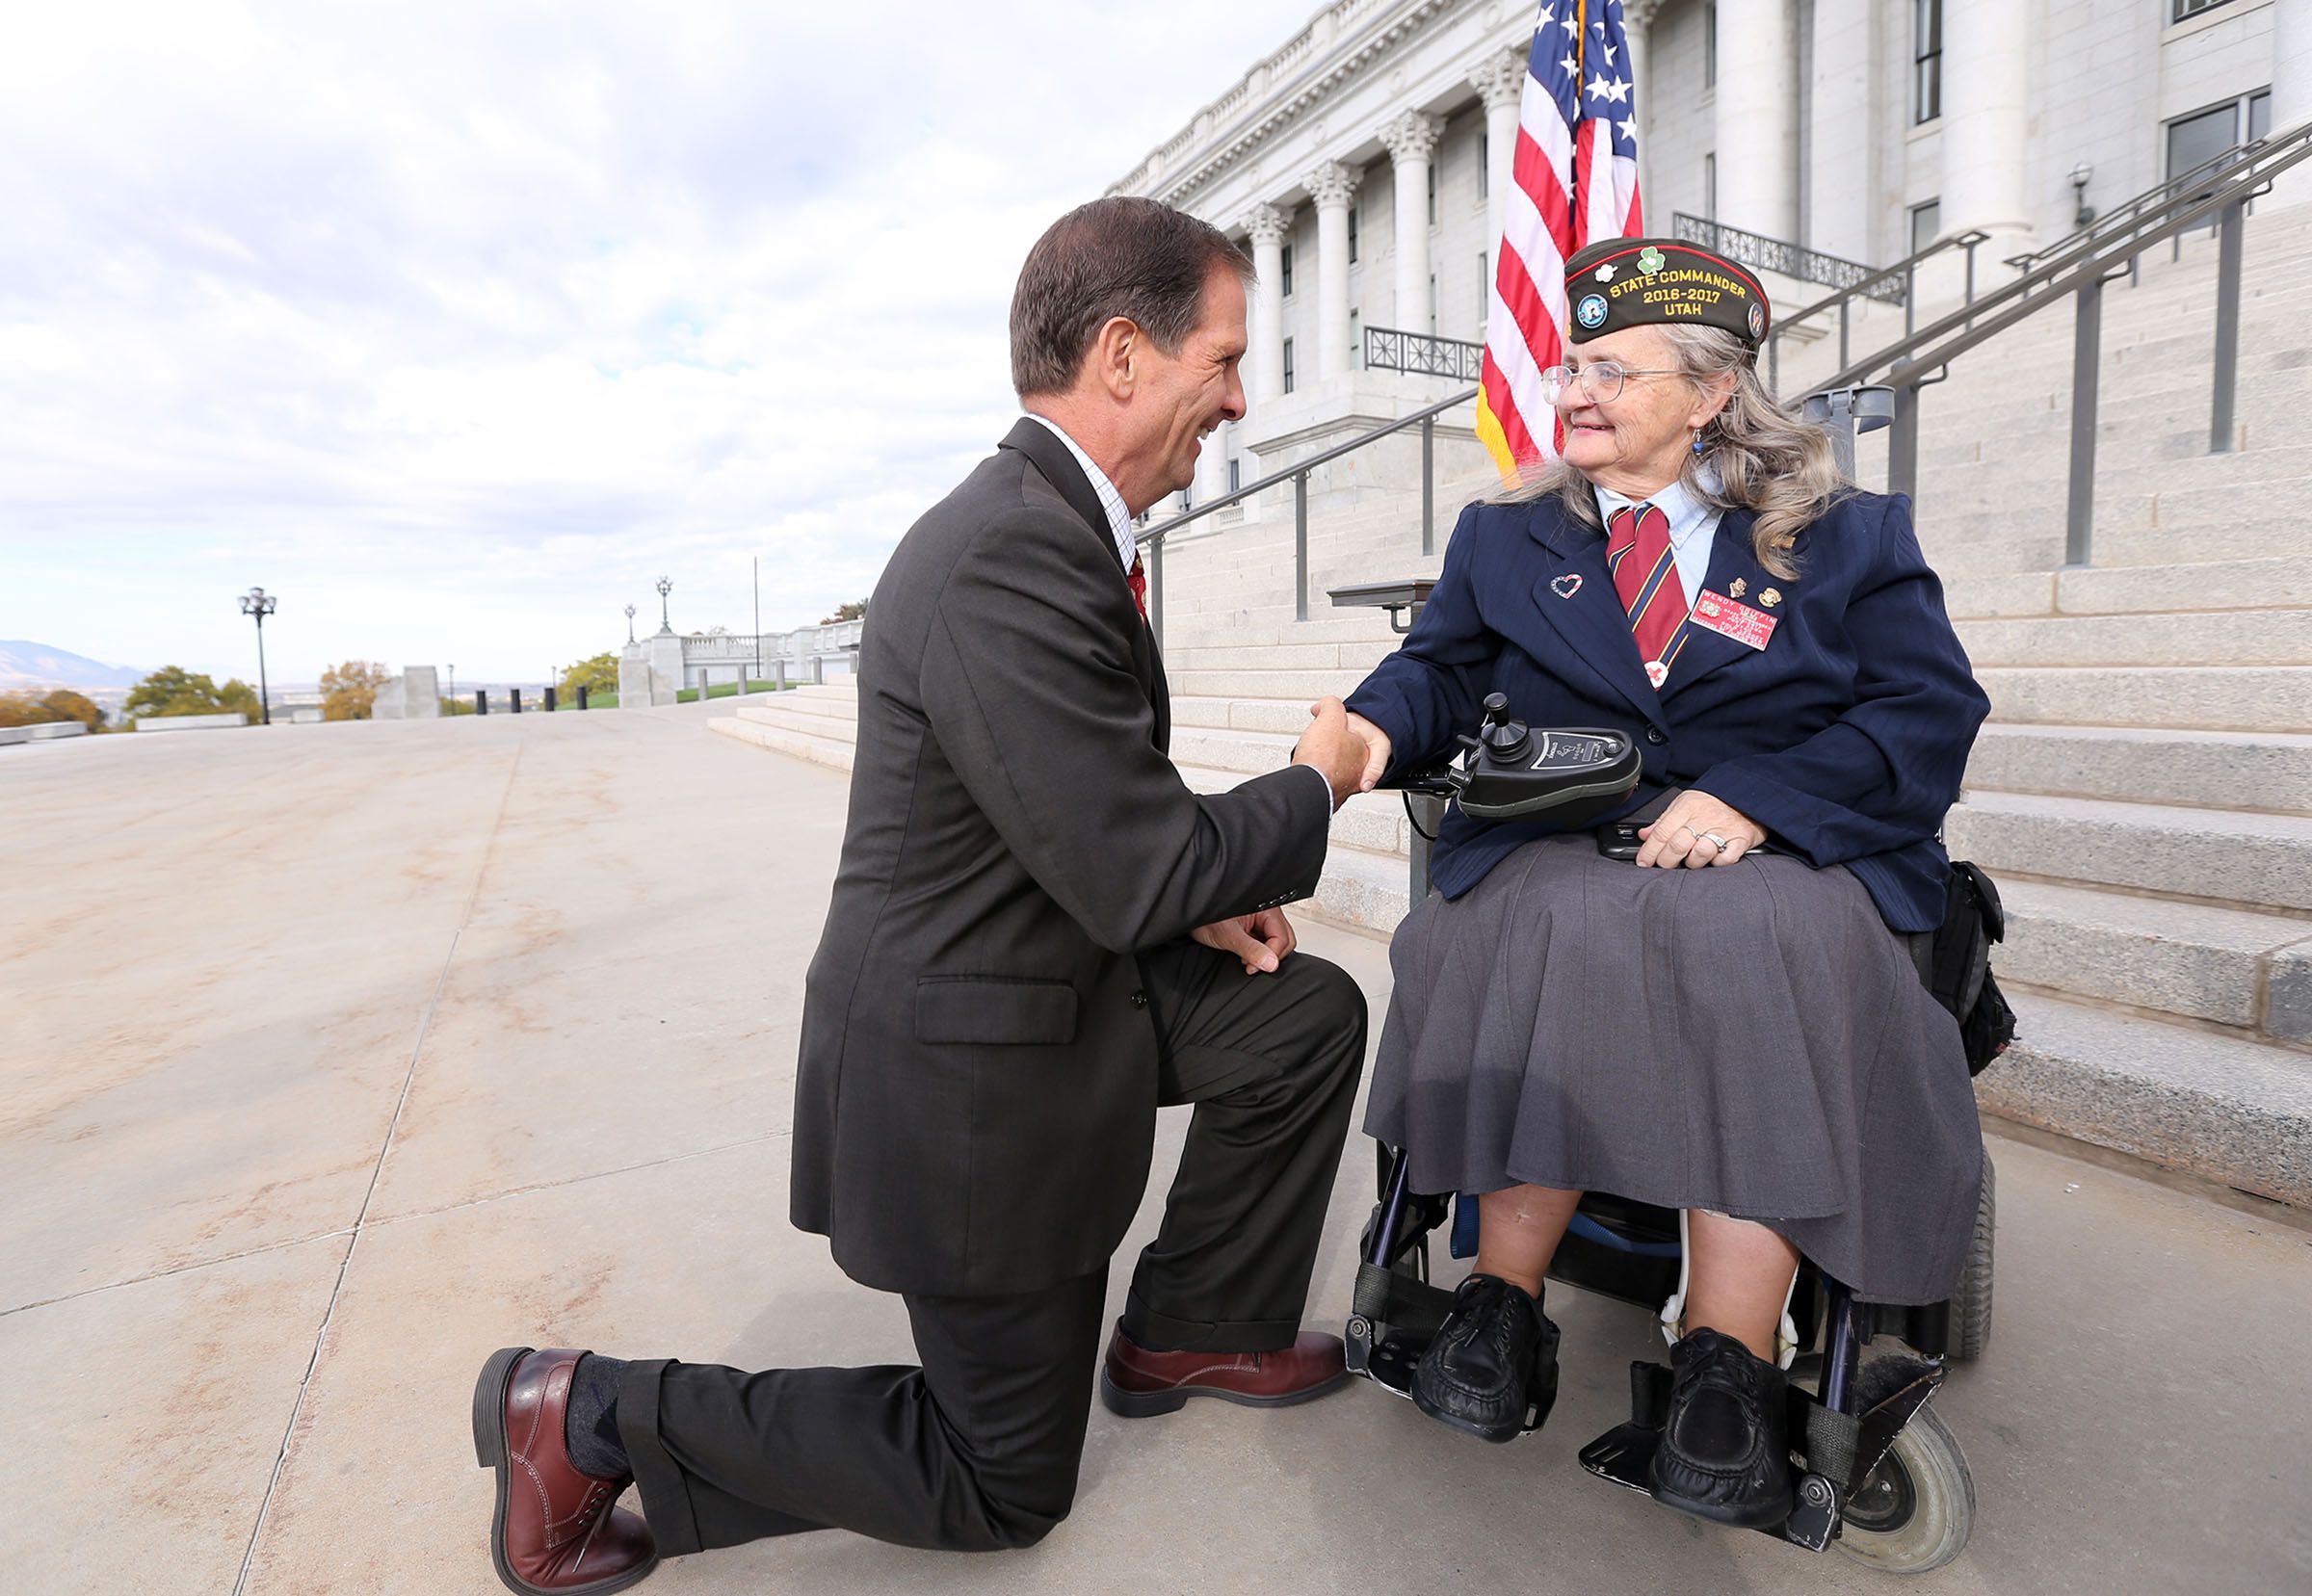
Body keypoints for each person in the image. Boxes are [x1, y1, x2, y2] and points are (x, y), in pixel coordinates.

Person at [471, 196, 1376, 1595]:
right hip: (971, 1082)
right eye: (1225, 357)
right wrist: (1318, 780)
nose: (1242, 397)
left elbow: (1082, 818)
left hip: (1057, 988)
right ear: (1125, 356)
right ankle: (585, 1411)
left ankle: (1191, 1323)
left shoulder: (1062, 527)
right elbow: (1135, 862)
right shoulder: (1008, 551)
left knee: (1301, 1014)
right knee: (997, 1480)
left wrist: (1194, 896)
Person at [1335, 236, 1990, 1529]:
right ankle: (1497, 1304)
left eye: (1609, 370)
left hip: (1783, 847)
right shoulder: (1509, 535)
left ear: (1706, 393)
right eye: (1569, 364)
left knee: (1760, 945)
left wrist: (1758, 798)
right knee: (1514, 926)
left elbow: (1928, 707)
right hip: (1569, 836)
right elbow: (1440, 675)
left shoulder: (1846, 538)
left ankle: (1727, 1367)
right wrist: (1368, 729)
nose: (1573, 390)